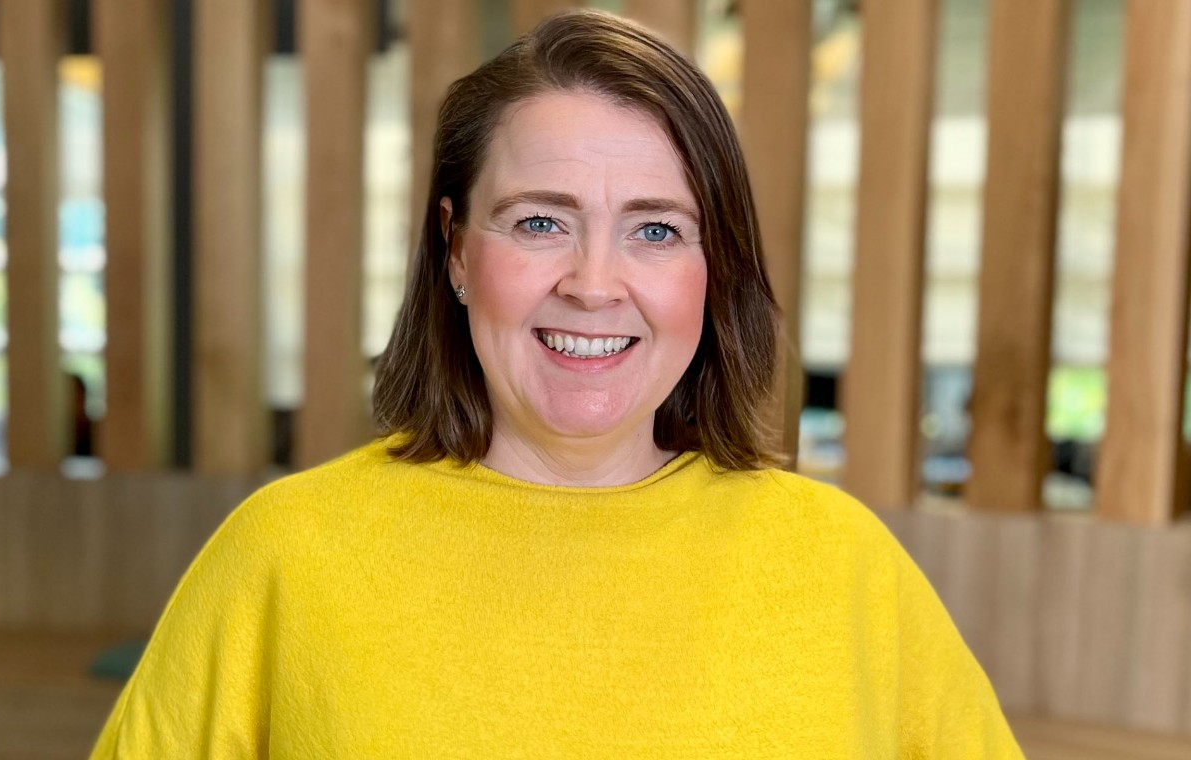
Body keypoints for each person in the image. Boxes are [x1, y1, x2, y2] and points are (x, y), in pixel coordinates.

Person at [90, 10, 1022, 758]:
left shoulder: (844, 566)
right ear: (455, 248)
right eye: (541, 222)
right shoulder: (282, 559)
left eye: (655, 229)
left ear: (715, 268)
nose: (593, 282)